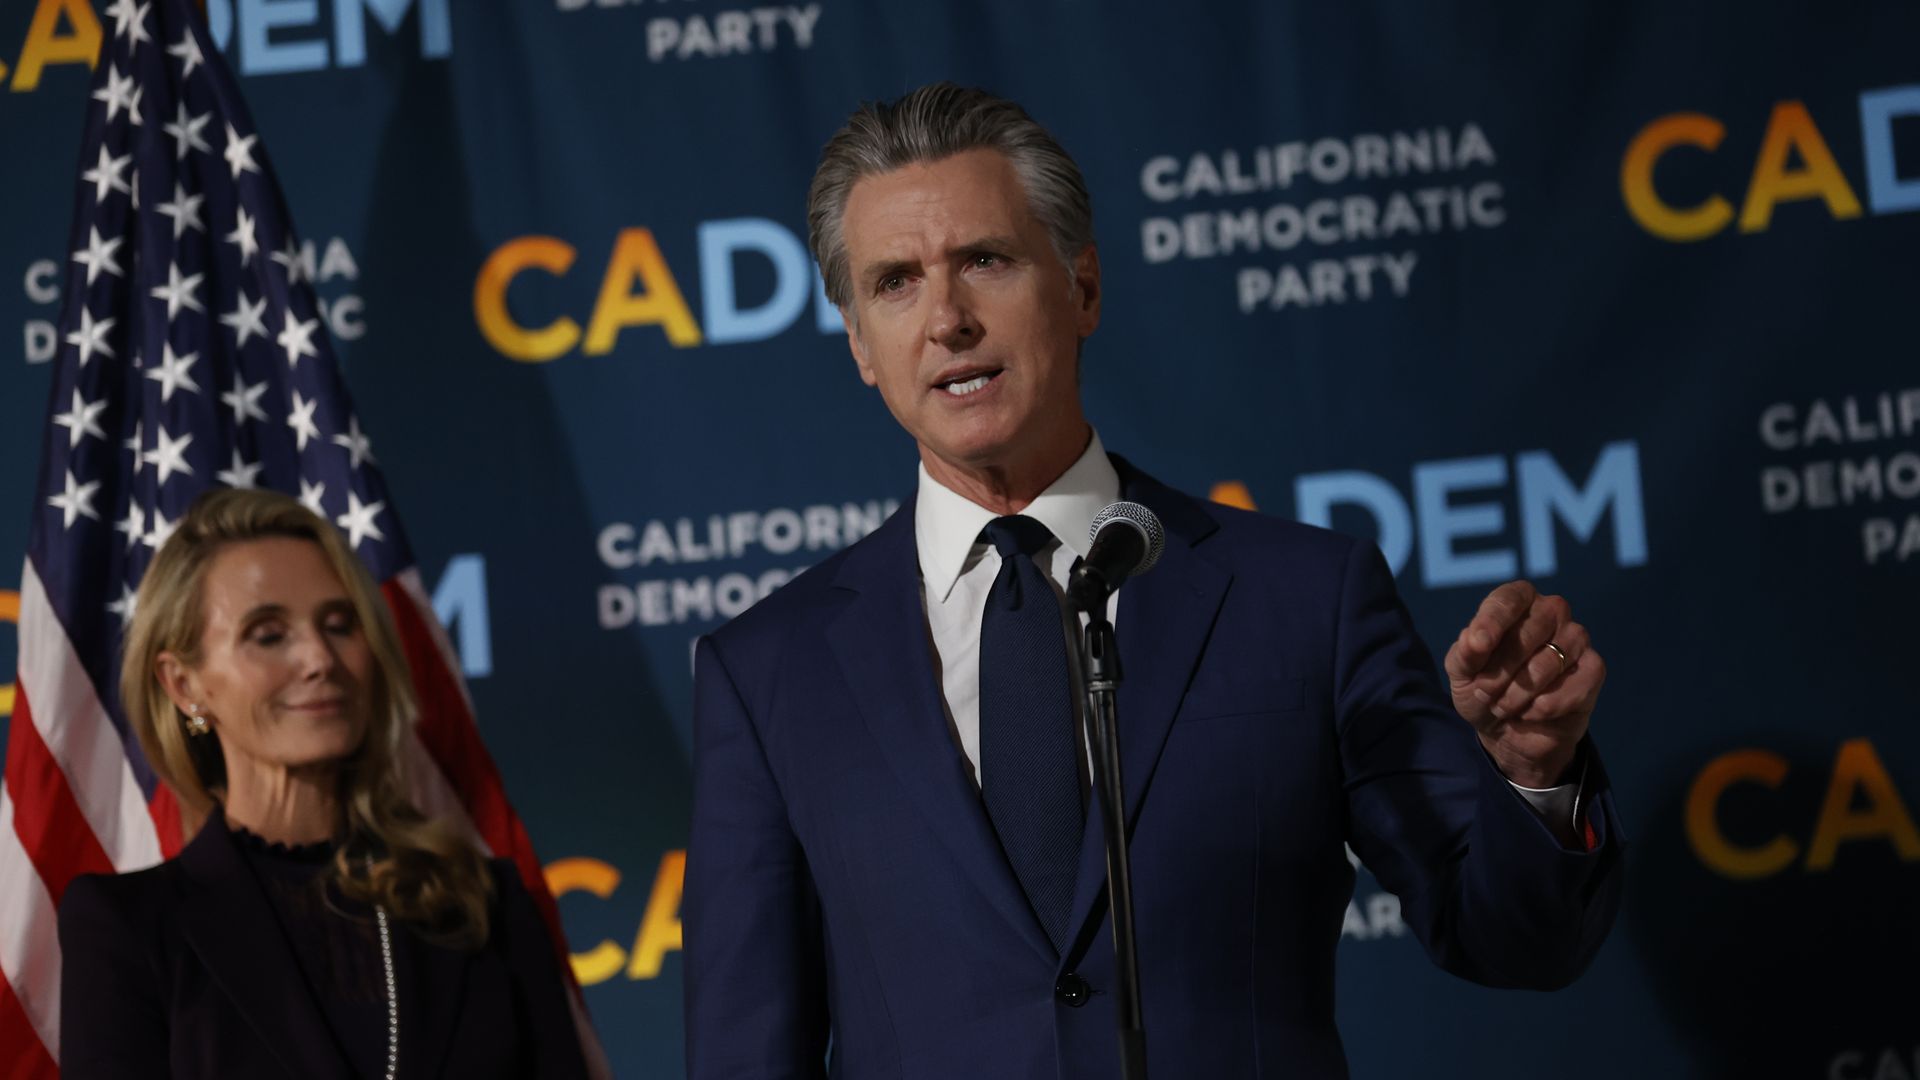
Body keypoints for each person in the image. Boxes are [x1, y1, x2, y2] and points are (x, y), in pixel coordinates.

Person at [683, 83, 1623, 1079]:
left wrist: (1530, 778)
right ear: (861, 346)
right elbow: (747, 1052)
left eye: (985, 261)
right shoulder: (769, 672)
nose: (947, 320)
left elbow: (1516, 939)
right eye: (895, 284)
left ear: (1082, 286)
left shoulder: (1303, 599)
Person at [57, 488, 589, 1080]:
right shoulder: (127, 927)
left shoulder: (484, 904)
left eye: (340, 625)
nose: (319, 658)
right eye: (268, 634)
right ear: (185, 686)